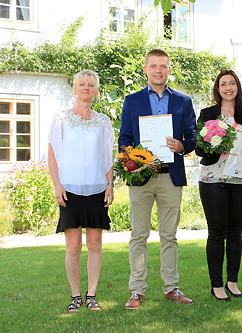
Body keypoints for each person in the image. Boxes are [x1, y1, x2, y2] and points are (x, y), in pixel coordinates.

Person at [118, 49, 197, 309]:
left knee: (169, 236)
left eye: (163, 66)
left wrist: (181, 145)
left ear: (169, 69)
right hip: (141, 177)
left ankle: (171, 288)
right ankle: (136, 291)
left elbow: (193, 138)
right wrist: (132, 159)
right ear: (145, 69)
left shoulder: (183, 102)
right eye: (154, 66)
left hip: (170, 177)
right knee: (138, 235)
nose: (159, 70)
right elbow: (125, 140)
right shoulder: (132, 101)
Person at [48, 69, 114, 312]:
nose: (86, 88)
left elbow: (108, 156)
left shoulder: (104, 121)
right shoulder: (61, 119)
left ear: (96, 91)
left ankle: (92, 295)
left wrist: (110, 184)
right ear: (75, 88)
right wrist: (57, 185)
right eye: (82, 84)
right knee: (73, 246)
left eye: (91, 85)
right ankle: (75, 296)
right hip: (70, 190)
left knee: (95, 244)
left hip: (97, 189)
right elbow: (52, 154)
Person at [196, 70, 242, 301]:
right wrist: (215, 148)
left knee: (235, 232)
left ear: (238, 87)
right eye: (223, 84)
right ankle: (216, 285)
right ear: (218, 88)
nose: (228, 88)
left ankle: (232, 282)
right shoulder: (207, 114)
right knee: (216, 232)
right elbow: (199, 148)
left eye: (232, 83)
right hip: (214, 179)